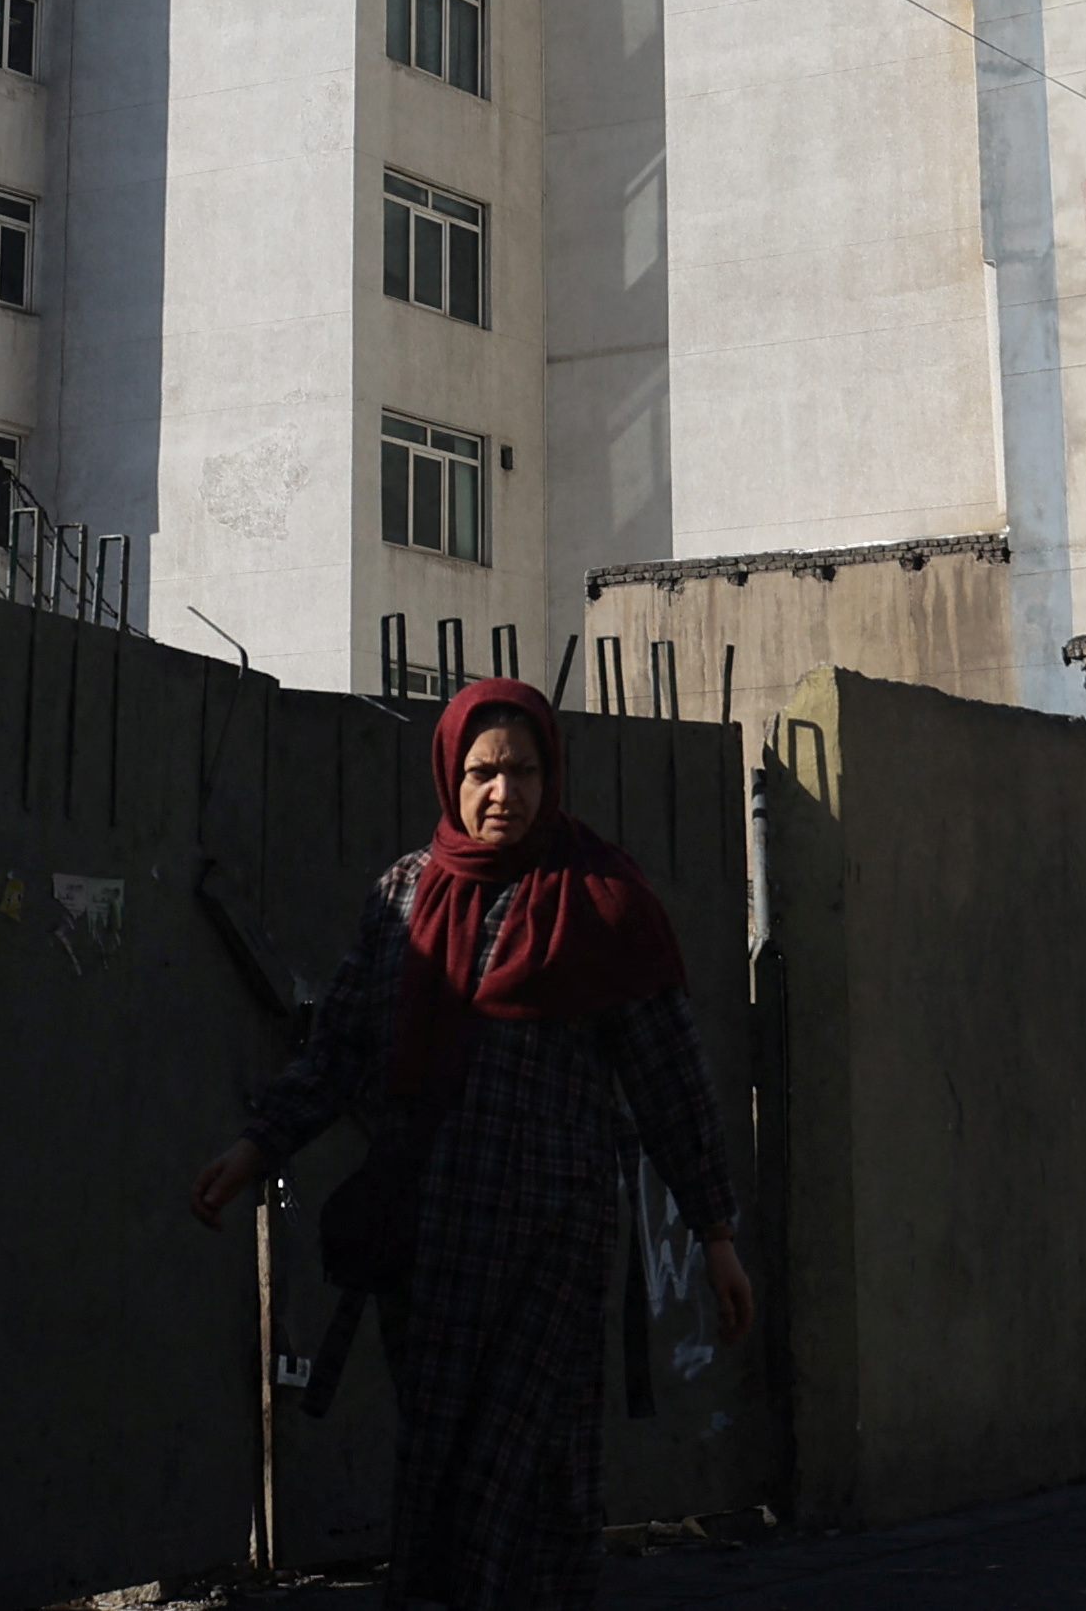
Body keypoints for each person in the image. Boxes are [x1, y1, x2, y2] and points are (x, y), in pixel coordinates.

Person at [190, 677, 756, 1609]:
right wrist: (256, 1149)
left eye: (524, 770)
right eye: (484, 771)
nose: (506, 792)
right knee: (443, 1464)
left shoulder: (602, 903)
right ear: (449, 776)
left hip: (551, 1245)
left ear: (551, 774)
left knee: (529, 1464)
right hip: (435, 1251)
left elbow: (672, 1081)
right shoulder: (403, 896)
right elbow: (339, 1047)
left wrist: (716, 1233)